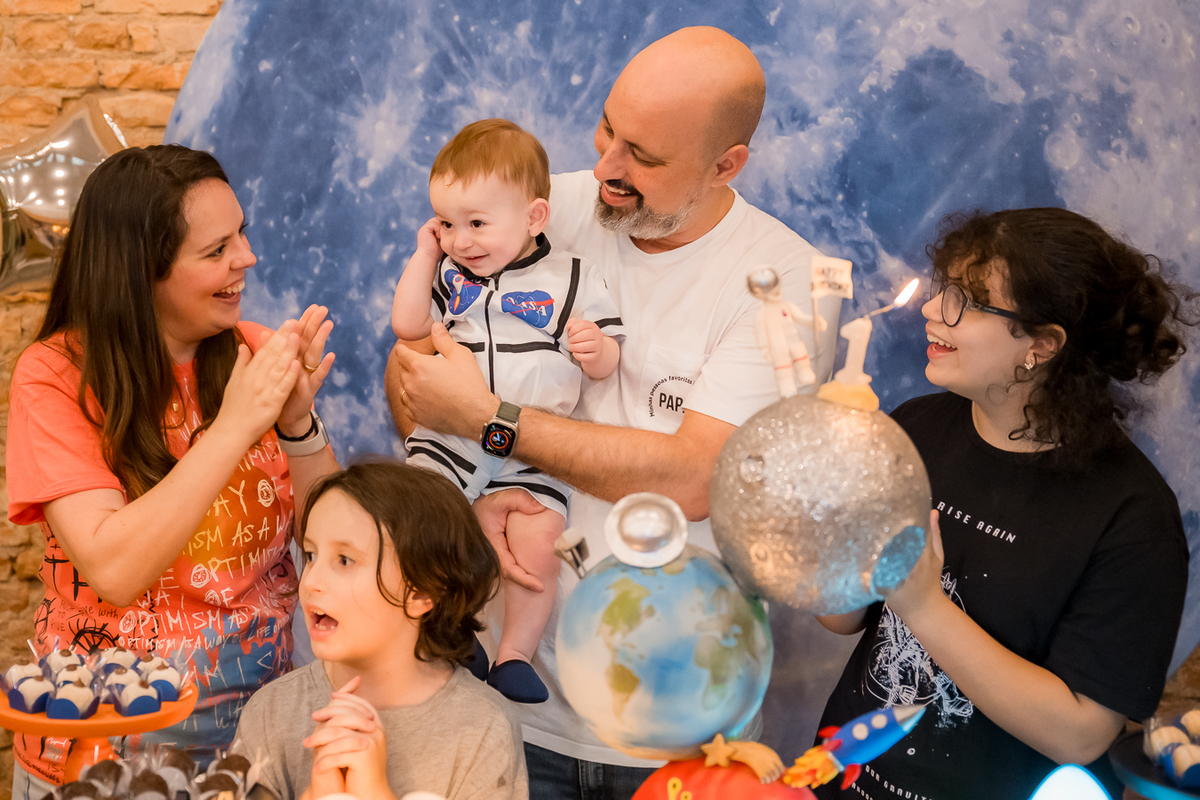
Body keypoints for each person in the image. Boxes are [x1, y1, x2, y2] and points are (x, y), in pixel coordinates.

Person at [388, 27, 839, 799]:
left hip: (676, 729)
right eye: (607, 129)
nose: (605, 168)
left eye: (644, 157)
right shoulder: (538, 207)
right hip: (500, 706)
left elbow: (694, 479)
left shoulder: (783, 283)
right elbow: (416, 375)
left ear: (726, 165)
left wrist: (492, 422)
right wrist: (476, 476)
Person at [815, 208, 1193, 800]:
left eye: (965, 302)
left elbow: (1080, 736)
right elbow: (840, 618)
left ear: (1041, 344)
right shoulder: (914, 427)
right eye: (941, 288)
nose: (931, 310)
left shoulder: (1134, 519)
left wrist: (925, 606)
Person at [5, 145, 338, 797]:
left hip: (254, 752)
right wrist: (236, 425)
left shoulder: (254, 352)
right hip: (100, 758)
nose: (247, 258)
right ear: (141, 272)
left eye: (241, 234)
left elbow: (334, 544)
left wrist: (299, 426)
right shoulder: (55, 377)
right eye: (216, 250)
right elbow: (115, 569)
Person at [391, 119, 623, 704]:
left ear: (534, 217)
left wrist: (597, 349)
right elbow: (408, 325)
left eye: (476, 224)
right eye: (446, 224)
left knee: (539, 540)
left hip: (533, 445)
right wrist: (424, 255)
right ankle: (449, 629)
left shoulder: (571, 277)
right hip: (450, 435)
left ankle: (515, 654)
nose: (460, 240)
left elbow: (606, 363)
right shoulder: (449, 273)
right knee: (423, 524)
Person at [233, 461, 526, 800]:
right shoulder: (270, 712)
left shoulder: (484, 728)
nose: (311, 581)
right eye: (310, 555)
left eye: (345, 560)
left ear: (422, 592)